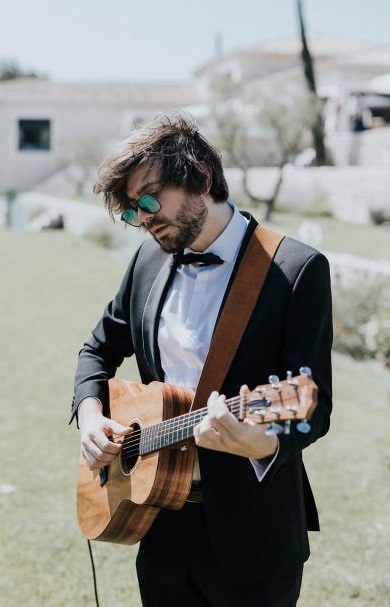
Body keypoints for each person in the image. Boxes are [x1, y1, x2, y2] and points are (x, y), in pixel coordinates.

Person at [70, 112, 333, 607]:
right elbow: (97, 350)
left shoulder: (296, 270)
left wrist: (261, 444)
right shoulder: (148, 261)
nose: (144, 218)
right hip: (158, 521)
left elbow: (311, 404)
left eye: (150, 198)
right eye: (132, 211)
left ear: (201, 176)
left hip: (252, 535)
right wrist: (89, 416)